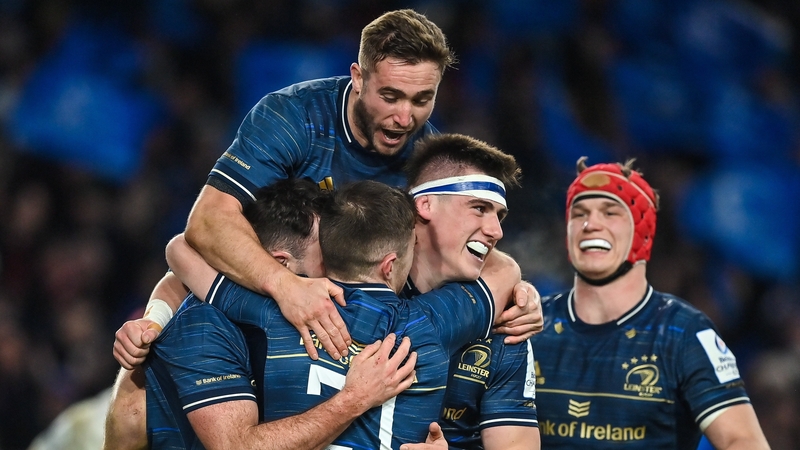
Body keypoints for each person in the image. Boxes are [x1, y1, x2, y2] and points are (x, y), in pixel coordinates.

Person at [159, 179, 522, 448]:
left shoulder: (275, 312)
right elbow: (503, 272)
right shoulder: (431, 323)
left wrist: (282, 285)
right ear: (389, 265)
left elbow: (182, 249)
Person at [530, 157, 771, 449]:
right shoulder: (530, 324)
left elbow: (742, 440)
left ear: (642, 232)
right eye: (579, 214)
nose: (590, 224)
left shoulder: (685, 333)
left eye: (609, 213)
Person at [401, 134, 539, 449]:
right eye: (479, 208)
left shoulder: (508, 320)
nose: (496, 231)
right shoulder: (357, 293)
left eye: (499, 215)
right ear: (425, 204)